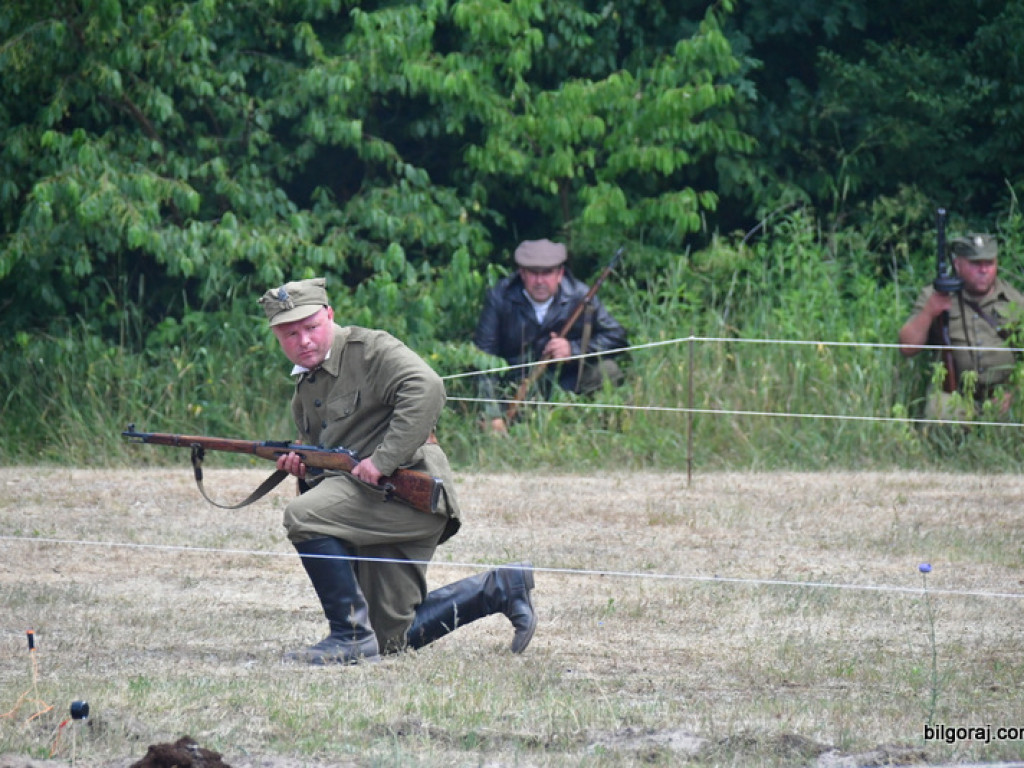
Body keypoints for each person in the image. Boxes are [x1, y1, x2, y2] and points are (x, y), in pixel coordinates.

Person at [259, 277, 536, 664]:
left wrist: (383, 461)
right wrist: (303, 470)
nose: (303, 340)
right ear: (276, 335)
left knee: (302, 517)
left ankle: (348, 636)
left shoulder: (370, 350)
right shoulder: (305, 387)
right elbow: (330, 467)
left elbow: (427, 388)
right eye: (290, 334)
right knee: (390, 639)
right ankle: (499, 588)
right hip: (369, 505)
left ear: (330, 316)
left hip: (409, 497)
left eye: (311, 328)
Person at [473, 239, 629, 430]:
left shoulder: (581, 295)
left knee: (608, 370)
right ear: (522, 273)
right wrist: (492, 414)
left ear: (560, 274)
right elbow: (483, 357)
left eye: (547, 273)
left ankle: (588, 425)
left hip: (564, 381)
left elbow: (617, 336)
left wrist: (573, 349)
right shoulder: (499, 297)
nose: (540, 281)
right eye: (533, 273)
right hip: (514, 385)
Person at [898, 233, 1023, 416]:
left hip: (1003, 396)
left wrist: (1013, 393)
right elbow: (907, 348)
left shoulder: (1014, 301)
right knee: (939, 411)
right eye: (975, 264)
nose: (983, 270)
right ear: (958, 265)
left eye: (989, 263)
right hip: (957, 396)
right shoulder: (936, 296)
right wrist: (929, 312)